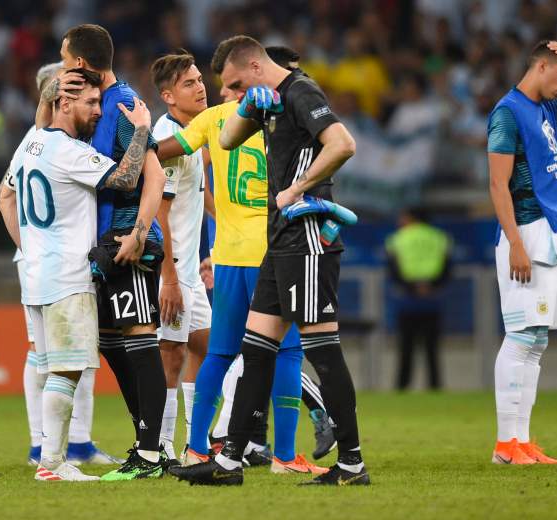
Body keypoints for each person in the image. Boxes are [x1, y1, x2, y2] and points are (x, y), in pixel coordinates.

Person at [170, 35, 368, 486]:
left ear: (257, 68)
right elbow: (225, 138)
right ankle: (229, 461)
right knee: (257, 352)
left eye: (237, 85)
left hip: (308, 238)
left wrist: (298, 189)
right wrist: (247, 107)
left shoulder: (302, 92)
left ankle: (353, 463)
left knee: (322, 350)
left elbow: (343, 144)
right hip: (278, 241)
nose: (230, 94)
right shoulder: (264, 101)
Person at [0, 66, 152, 481]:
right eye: (90, 103)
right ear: (63, 103)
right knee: (67, 372)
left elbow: (4, 196)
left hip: (35, 275)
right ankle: (51, 463)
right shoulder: (70, 152)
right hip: (68, 276)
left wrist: (28, 247)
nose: (100, 112)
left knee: (52, 369)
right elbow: (126, 176)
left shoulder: (30, 142)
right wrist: (141, 129)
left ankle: (51, 458)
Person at [42, 24, 168, 480]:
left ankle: (151, 454)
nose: (60, 64)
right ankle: (147, 441)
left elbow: (152, 175)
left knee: (139, 339)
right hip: (104, 247)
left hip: (126, 241)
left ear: (78, 63)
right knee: (114, 345)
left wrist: (137, 231)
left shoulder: (122, 104)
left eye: (63, 57)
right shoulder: (96, 108)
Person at [487, 39, 557, 465]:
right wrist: (517, 245)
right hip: (525, 232)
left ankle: (522, 442)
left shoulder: (547, 109)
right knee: (521, 337)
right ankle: (505, 444)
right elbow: (497, 185)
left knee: (536, 341)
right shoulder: (507, 112)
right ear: (541, 66)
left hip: (550, 232)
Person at [149, 51, 211, 462]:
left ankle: (199, 441)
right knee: (171, 356)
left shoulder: (193, 132)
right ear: (169, 96)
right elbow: (160, 212)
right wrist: (168, 278)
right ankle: (163, 446)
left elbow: (198, 204)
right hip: (173, 272)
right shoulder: (167, 140)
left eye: (200, 78)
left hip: (189, 267)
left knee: (208, 349)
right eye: (189, 84)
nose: (201, 86)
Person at [386, 208, 451, 390]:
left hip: (408, 298)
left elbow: (393, 270)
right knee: (432, 348)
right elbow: (447, 269)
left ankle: (402, 386)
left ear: (411, 218)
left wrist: (412, 287)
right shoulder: (440, 237)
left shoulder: (397, 238)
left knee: (406, 347)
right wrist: (431, 286)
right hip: (433, 298)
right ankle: (435, 386)